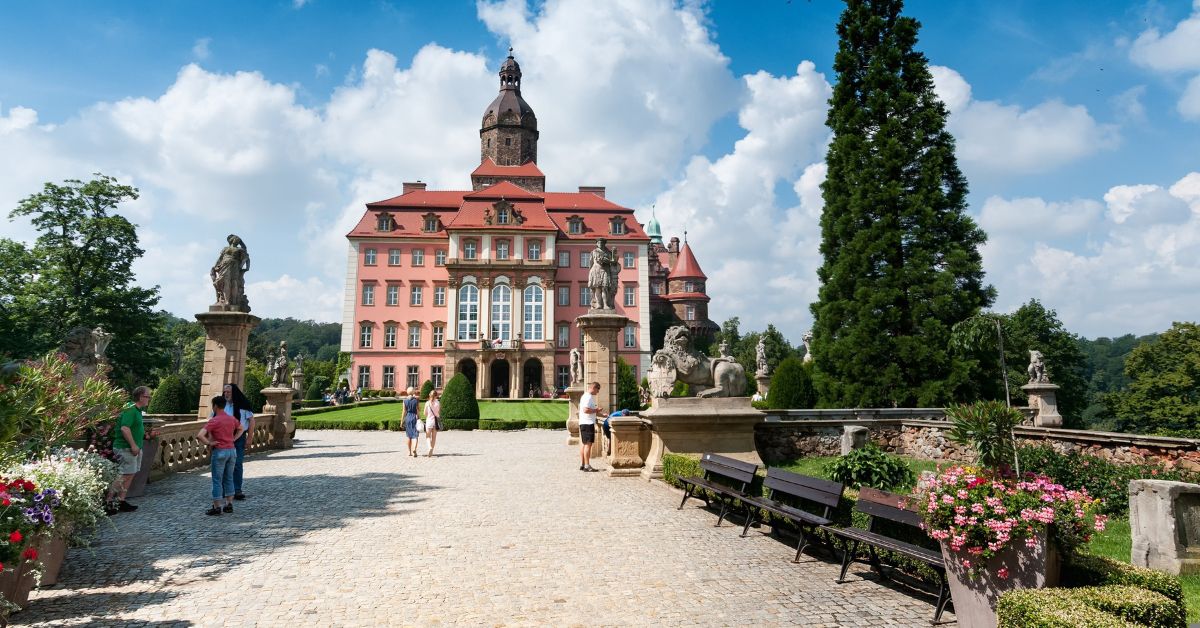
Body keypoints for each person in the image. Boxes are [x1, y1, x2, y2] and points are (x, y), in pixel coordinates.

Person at [106, 386, 151, 514]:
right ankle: (108, 502)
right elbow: (125, 429)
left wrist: (145, 436)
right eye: (148, 396)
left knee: (129, 474)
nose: (149, 399)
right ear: (141, 397)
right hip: (125, 448)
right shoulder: (130, 409)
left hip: (132, 448)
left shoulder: (136, 409)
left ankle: (121, 501)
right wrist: (133, 445)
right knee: (123, 475)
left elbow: (134, 428)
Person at [197, 395, 244, 516]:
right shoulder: (231, 419)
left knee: (217, 480)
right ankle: (229, 504)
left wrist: (209, 443)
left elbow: (200, 435)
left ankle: (217, 506)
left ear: (215, 406)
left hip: (220, 451)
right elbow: (241, 428)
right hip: (232, 451)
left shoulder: (214, 420)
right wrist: (233, 439)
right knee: (229, 478)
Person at [222, 383, 256, 501]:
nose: (226, 394)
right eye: (224, 392)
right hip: (224, 437)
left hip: (239, 437)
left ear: (234, 393)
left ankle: (237, 490)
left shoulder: (243, 405)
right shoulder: (222, 405)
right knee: (224, 463)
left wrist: (250, 437)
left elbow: (251, 421)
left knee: (237, 464)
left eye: (228, 392)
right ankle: (224, 489)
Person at [578, 381, 606, 472]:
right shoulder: (588, 397)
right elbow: (586, 410)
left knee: (584, 444)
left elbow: (590, 411)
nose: (597, 392)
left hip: (584, 422)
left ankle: (583, 464)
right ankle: (587, 465)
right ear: (594, 388)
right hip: (588, 423)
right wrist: (596, 410)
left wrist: (600, 413)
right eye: (598, 390)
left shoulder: (585, 396)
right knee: (588, 445)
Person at [402, 386, 420, 457]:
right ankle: (414, 449)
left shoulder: (404, 400)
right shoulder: (416, 400)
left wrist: (401, 421)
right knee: (415, 435)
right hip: (414, 418)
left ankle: (409, 452)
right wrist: (419, 418)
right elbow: (419, 410)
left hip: (408, 418)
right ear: (413, 392)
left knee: (408, 436)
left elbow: (404, 411)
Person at [424, 389, 441, 457]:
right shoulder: (438, 403)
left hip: (429, 421)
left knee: (428, 436)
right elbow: (439, 413)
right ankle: (432, 450)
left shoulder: (427, 403)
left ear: (429, 395)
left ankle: (429, 447)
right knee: (434, 437)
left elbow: (425, 413)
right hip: (435, 422)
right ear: (436, 396)